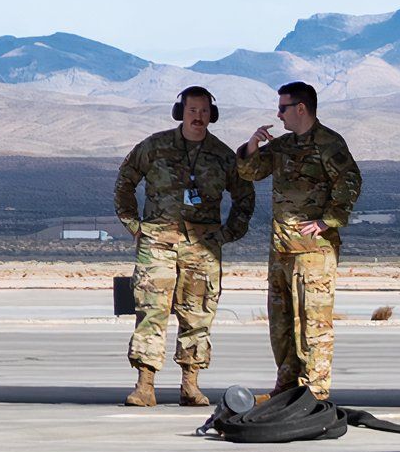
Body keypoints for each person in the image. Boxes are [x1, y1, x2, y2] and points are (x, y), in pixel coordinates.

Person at [112, 84, 251, 406]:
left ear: (211, 115)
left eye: (204, 111)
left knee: (198, 316)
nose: (198, 117)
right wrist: (135, 226)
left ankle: (190, 384)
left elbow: (245, 196)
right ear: (180, 113)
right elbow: (124, 183)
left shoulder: (222, 155)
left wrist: (227, 234)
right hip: (158, 243)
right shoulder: (154, 147)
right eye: (192, 111)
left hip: (202, 248)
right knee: (151, 311)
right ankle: (145, 385)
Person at [237, 81, 363, 403]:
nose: (278, 115)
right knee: (281, 322)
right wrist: (252, 145)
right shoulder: (284, 147)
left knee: (313, 323)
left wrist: (328, 221)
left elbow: (350, 180)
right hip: (282, 250)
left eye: (283, 108)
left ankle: (315, 393)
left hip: (314, 253)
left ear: (301, 108)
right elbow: (251, 171)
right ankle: (287, 385)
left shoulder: (328, 143)